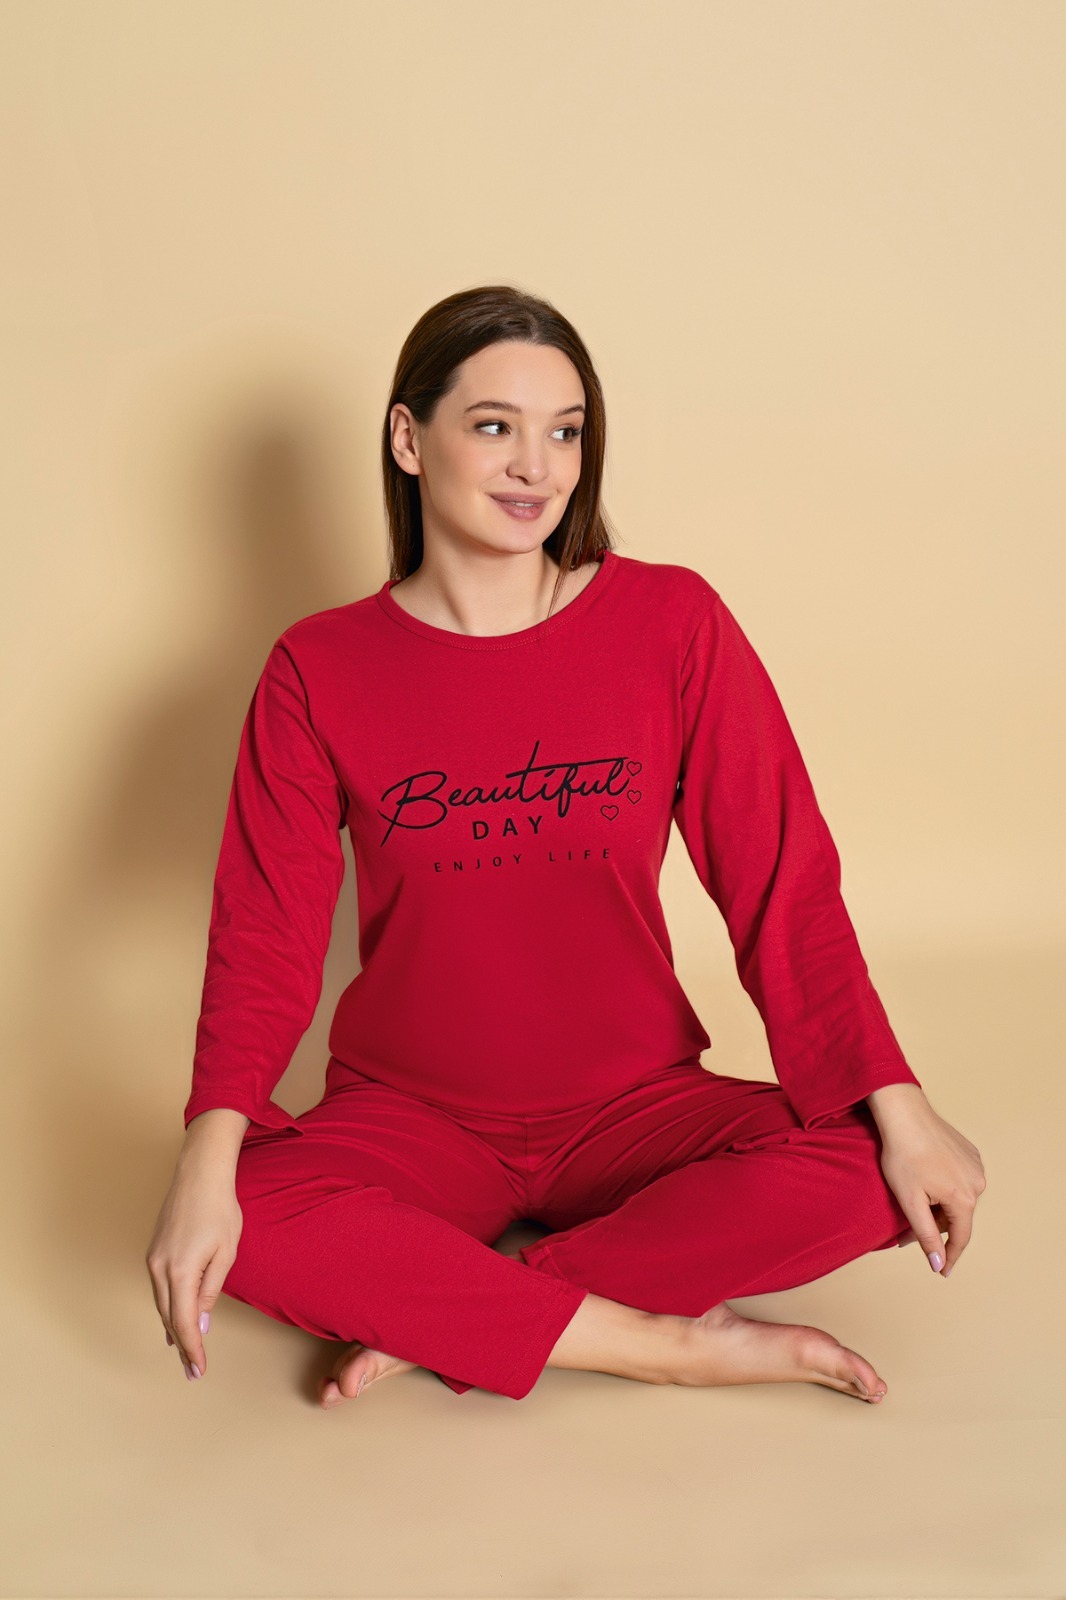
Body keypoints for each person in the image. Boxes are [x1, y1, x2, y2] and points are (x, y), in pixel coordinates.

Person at [146, 284, 986, 1410]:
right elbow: (267, 933)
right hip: (413, 1117)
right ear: (408, 439)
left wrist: (896, 1097)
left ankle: (474, 1313)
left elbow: (781, 884)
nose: (535, 467)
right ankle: (657, 1342)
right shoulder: (319, 666)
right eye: (494, 425)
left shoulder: (671, 624)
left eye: (566, 431)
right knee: (241, 1218)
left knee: (877, 1171)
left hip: (637, 1108)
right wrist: (204, 1162)